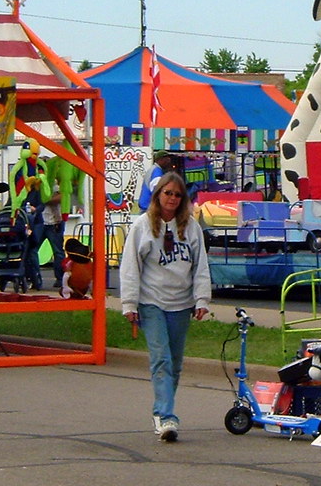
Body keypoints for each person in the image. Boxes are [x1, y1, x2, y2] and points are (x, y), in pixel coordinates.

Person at [121, 171, 211, 443]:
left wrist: (202, 299)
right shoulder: (142, 226)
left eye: (177, 194)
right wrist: (129, 303)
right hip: (151, 302)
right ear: (158, 195)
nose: (172, 198)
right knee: (160, 359)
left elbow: (200, 265)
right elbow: (130, 267)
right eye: (167, 193)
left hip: (181, 303)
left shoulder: (191, 227)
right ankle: (165, 415)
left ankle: (164, 411)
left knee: (175, 363)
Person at [38, 185, 66, 289]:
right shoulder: (37, 180)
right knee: (31, 249)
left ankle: (60, 279)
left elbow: (61, 197)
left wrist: (44, 199)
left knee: (58, 251)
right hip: (39, 221)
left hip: (54, 222)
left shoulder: (55, 182)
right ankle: (33, 278)